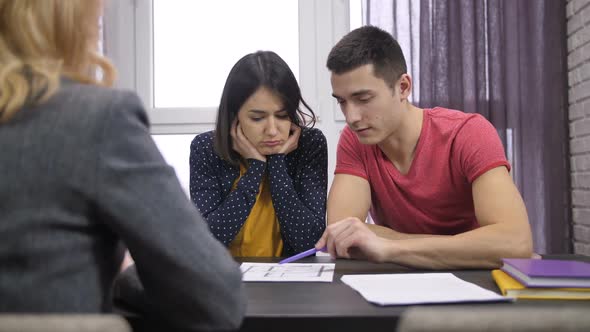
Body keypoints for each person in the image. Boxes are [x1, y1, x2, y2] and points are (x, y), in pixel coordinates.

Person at [0, 0, 245, 330]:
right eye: (97, 19)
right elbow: (215, 297)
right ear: (71, 22)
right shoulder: (96, 118)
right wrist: (125, 274)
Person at [315, 26, 533, 269]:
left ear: (403, 87)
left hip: (475, 281)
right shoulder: (355, 139)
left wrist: (388, 246)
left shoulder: (468, 133)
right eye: (342, 102)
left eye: (363, 99)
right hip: (398, 282)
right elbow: (344, 235)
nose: (351, 117)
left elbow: (515, 243)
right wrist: (469, 247)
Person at [190, 51, 327, 257]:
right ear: (234, 116)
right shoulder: (206, 149)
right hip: (226, 278)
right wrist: (255, 169)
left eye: (282, 116)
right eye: (257, 118)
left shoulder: (309, 144)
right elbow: (207, 241)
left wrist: (277, 164)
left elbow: (309, 242)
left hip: (291, 279)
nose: (272, 130)